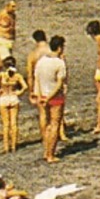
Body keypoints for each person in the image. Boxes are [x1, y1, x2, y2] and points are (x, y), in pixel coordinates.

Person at [32, 35, 68, 163]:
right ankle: (50, 154)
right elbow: (59, 84)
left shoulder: (41, 61)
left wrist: (38, 94)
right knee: (54, 124)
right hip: (54, 96)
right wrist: (50, 97)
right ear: (59, 48)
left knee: (46, 124)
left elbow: (36, 78)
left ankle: (46, 150)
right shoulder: (59, 63)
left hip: (42, 94)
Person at [0, 56, 28, 153]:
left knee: (5, 125)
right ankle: (14, 146)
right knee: (14, 124)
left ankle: (6, 147)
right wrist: (19, 92)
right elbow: (25, 87)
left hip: (4, 98)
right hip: (13, 97)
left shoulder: (2, 75)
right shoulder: (17, 76)